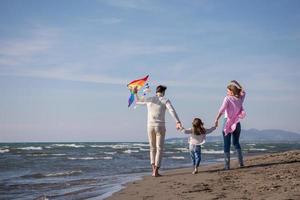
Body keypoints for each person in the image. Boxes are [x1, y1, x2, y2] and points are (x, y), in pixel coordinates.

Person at [133, 85, 182, 177]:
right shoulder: (165, 100)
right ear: (163, 92)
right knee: (159, 148)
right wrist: (177, 121)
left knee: (152, 148)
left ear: (156, 92)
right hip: (160, 126)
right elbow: (172, 110)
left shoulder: (150, 99)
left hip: (150, 126)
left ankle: (153, 170)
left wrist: (135, 93)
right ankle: (156, 171)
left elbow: (138, 102)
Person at [214, 80, 246, 170]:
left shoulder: (227, 98)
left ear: (231, 92)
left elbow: (222, 110)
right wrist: (237, 83)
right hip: (237, 123)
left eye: (228, 91)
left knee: (226, 144)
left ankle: (227, 166)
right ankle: (241, 163)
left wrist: (216, 119)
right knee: (236, 143)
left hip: (227, 123)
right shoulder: (240, 99)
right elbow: (243, 92)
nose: (226, 92)